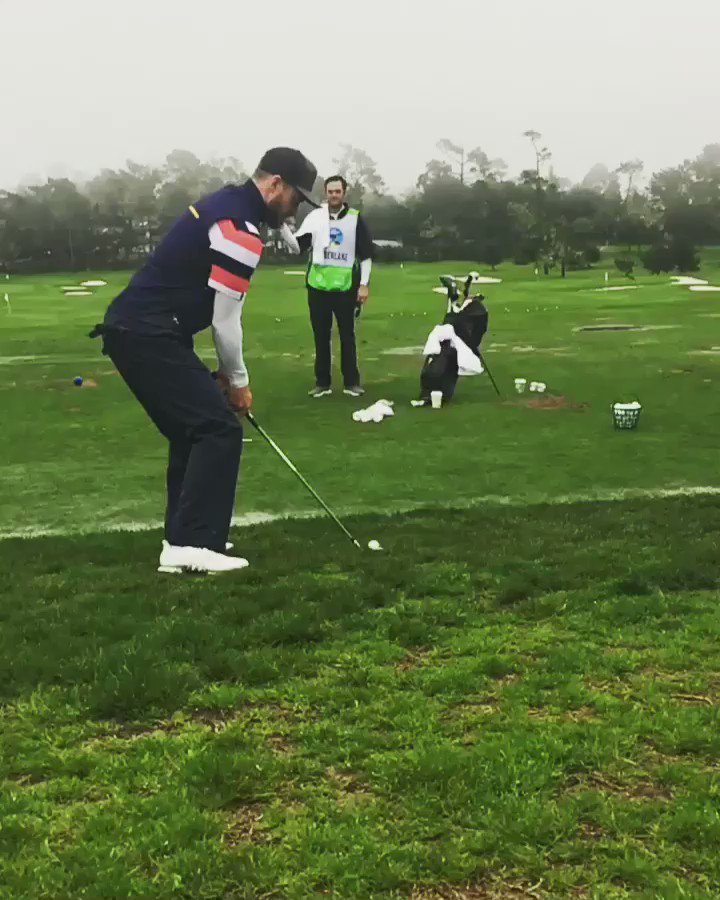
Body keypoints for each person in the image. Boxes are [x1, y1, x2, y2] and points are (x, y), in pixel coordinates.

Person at [90, 148, 318, 574]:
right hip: (146, 333)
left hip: (146, 331)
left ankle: (182, 538)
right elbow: (225, 321)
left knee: (193, 430)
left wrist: (217, 376)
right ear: (275, 185)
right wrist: (238, 381)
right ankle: (193, 541)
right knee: (216, 429)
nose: (295, 210)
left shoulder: (226, 204)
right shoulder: (240, 231)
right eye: (296, 199)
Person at [293, 175, 374, 398]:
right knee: (321, 335)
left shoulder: (355, 219)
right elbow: (298, 245)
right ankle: (322, 383)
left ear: (344, 193)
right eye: (330, 192)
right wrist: (281, 225)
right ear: (325, 193)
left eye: (338, 191)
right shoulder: (315, 218)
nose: (334, 195)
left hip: (346, 287)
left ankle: (352, 382)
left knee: (347, 335)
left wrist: (364, 285)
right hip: (318, 286)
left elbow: (366, 255)